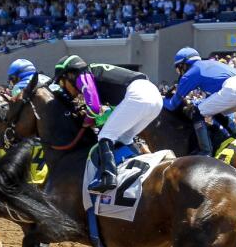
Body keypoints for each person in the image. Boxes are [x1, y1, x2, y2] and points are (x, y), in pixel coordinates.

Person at [53, 55, 162, 193]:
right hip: (154, 97)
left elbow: (94, 107)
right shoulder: (93, 75)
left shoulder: (82, 74)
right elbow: (111, 113)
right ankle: (135, 169)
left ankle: (108, 177)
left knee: (105, 135)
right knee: (124, 138)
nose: (64, 89)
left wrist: (87, 121)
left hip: (139, 94)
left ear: (70, 74)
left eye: (62, 83)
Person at [164, 47, 236, 155]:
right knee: (215, 111)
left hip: (233, 89)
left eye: (178, 68)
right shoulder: (208, 64)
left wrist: (163, 100)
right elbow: (210, 99)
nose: (179, 72)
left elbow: (172, 105)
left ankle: (205, 151)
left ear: (183, 64)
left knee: (196, 112)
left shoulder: (191, 73)